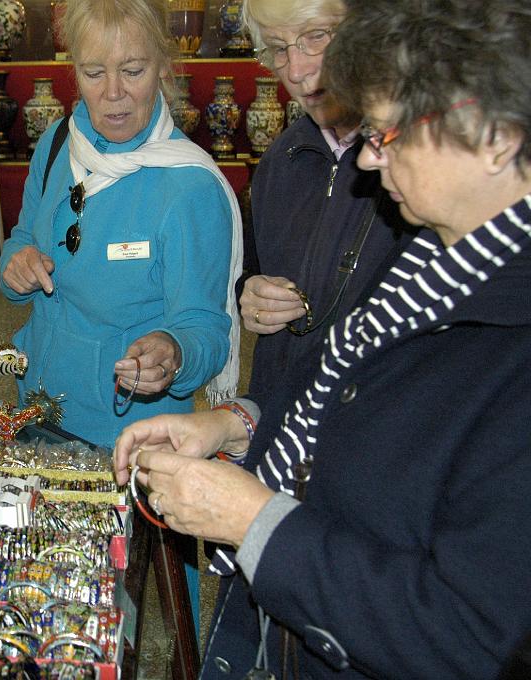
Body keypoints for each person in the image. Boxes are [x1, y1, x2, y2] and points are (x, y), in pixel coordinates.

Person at [114, 0, 531, 677]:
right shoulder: (436, 264)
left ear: (496, 137)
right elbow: (353, 413)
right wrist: (235, 424)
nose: (367, 157)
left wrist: (255, 524)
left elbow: (469, 637)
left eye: (390, 132)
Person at [0, 0, 242, 448]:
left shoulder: (190, 187)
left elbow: (207, 329)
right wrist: (16, 265)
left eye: (132, 71)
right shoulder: (57, 144)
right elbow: (22, 240)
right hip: (33, 413)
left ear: (164, 69)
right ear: (74, 72)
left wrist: (174, 352)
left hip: (126, 440)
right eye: (94, 73)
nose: (113, 93)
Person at [237, 0, 414, 421]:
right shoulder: (279, 160)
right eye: (278, 48)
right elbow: (254, 273)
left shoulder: (419, 165)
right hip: (282, 434)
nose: (295, 72)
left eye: (316, 37)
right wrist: (252, 296)